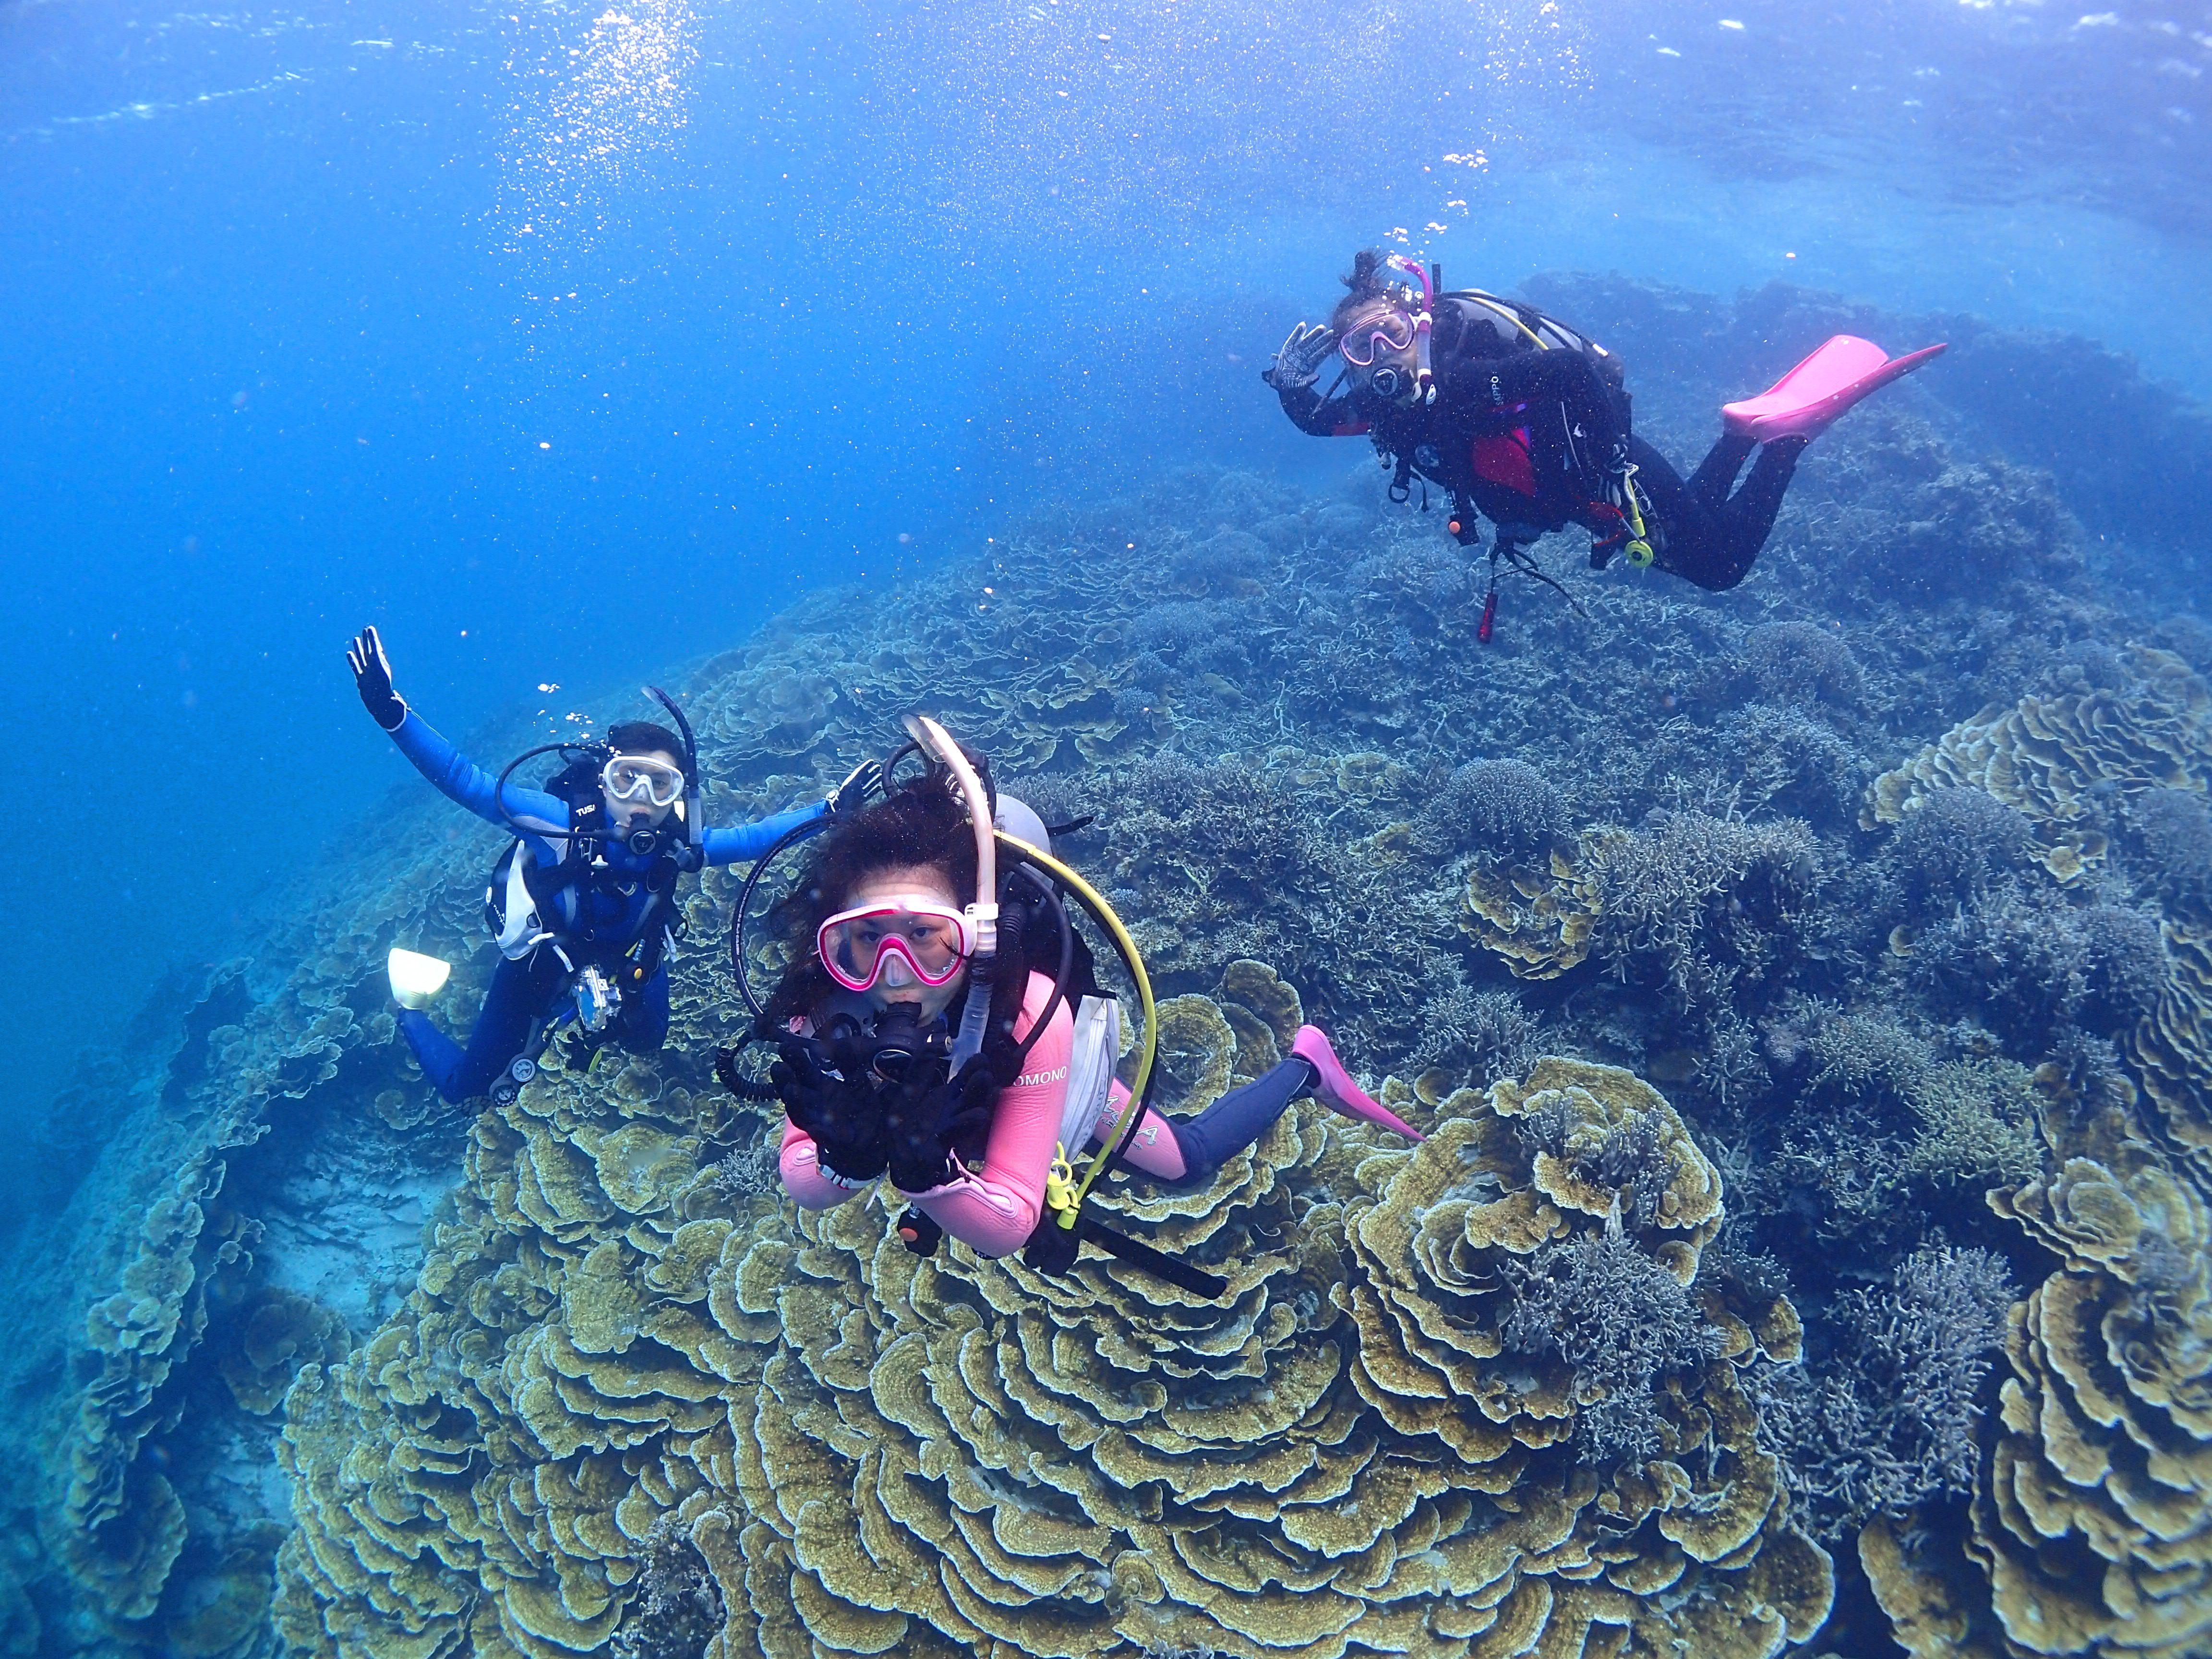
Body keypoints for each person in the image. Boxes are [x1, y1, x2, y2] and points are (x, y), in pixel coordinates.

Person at [753, 756, 1423, 1264]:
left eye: (925, 935)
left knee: (1186, 1159)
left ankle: (1308, 1066)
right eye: (866, 938)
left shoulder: (1029, 1009)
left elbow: (1010, 1224)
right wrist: (850, 1155)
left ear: (977, 936)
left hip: (1039, 1076)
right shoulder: (819, 1008)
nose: (894, 972)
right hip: (956, 1145)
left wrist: (926, 1175)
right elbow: (804, 1179)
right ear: (831, 941)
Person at [346, 625, 873, 1104]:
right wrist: (393, 715)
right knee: (468, 1090)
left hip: (628, 961)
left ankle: (580, 1012)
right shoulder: (561, 823)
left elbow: (750, 839)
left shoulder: (678, 840)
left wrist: (828, 813)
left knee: (647, 1040)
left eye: (660, 785)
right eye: (627, 779)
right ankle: (407, 1009)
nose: (641, 799)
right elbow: (468, 782)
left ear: (678, 796)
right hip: (537, 965)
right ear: (605, 781)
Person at [1264, 248, 1944, 609]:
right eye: (1359, 350)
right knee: (1700, 534)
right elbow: (1328, 425)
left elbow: (1564, 371)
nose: (1379, 357)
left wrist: (1617, 464)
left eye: (1386, 335)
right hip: (1585, 497)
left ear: (1415, 326)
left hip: (1601, 479)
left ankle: (1788, 439)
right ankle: (1742, 434)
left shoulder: (1462, 380)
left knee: (1721, 568)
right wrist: (1295, 399)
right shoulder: (1392, 410)